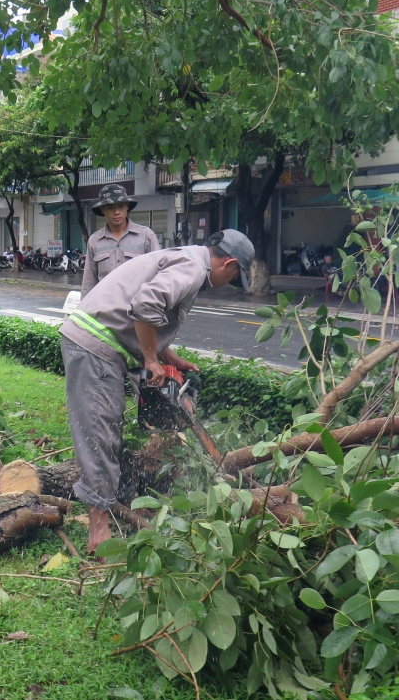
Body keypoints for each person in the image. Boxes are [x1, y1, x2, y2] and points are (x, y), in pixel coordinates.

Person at [59, 229, 255, 553]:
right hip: (94, 345)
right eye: (236, 277)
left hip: (100, 343)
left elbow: (150, 310)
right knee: (99, 431)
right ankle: (99, 533)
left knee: (107, 429)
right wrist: (150, 358)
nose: (233, 283)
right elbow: (146, 304)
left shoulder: (188, 258)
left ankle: (113, 503)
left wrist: (165, 354)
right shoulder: (192, 269)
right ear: (230, 264)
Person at [81, 184, 160, 295]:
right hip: (105, 307)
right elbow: (89, 282)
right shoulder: (94, 241)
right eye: (110, 207)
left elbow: (158, 275)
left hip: (137, 307)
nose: (116, 212)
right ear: (103, 210)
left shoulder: (146, 236)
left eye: (121, 206)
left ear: (127, 207)